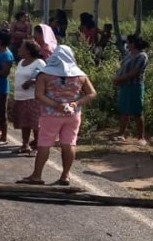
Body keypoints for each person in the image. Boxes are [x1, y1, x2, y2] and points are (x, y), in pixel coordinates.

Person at [19, 46, 97, 185]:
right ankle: (65, 175)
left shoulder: (44, 75)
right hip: (73, 115)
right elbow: (92, 93)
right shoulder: (80, 75)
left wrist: (56, 105)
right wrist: (75, 103)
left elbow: (39, 95)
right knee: (69, 143)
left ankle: (37, 175)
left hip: (50, 115)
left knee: (44, 144)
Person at [112, 35, 149, 146]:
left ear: (133, 43)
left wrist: (119, 79)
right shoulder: (129, 54)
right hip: (124, 86)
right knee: (124, 111)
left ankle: (141, 137)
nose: (126, 44)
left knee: (137, 111)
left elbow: (135, 72)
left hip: (134, 86)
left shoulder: (142, 56)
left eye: (128, 42)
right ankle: (121, 134)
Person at [11, 40, 46, 155]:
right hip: (20, 97)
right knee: (24, 122)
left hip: (33, 97)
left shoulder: (39, 63)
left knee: (35, 123)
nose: (19, 49)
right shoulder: (21, 62)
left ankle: (37, 145)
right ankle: (25, 144)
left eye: (22, 47)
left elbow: (45, 78)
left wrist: (32, 81)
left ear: (29, 50)